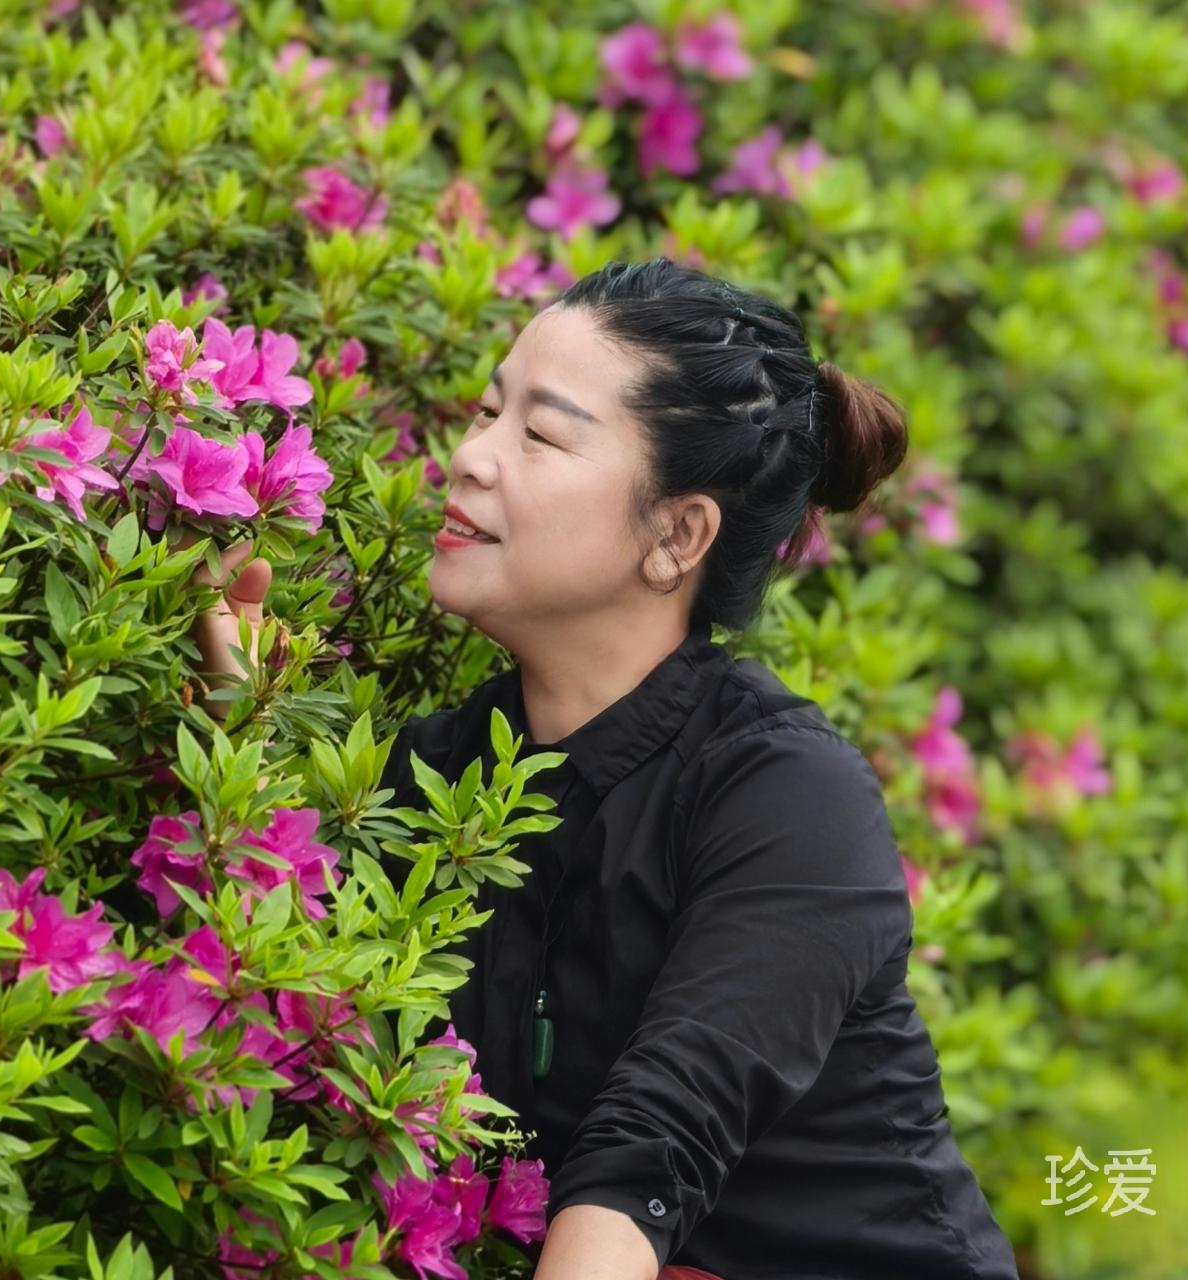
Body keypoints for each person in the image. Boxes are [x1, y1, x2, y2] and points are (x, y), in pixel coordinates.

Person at [194, 258, 1020, 1280]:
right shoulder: (428, 779)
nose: (468, 455)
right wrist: (244, 738)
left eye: (537, 433)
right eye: (487, 410)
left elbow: (658, 1140)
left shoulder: (785, 791)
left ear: (674, 532)